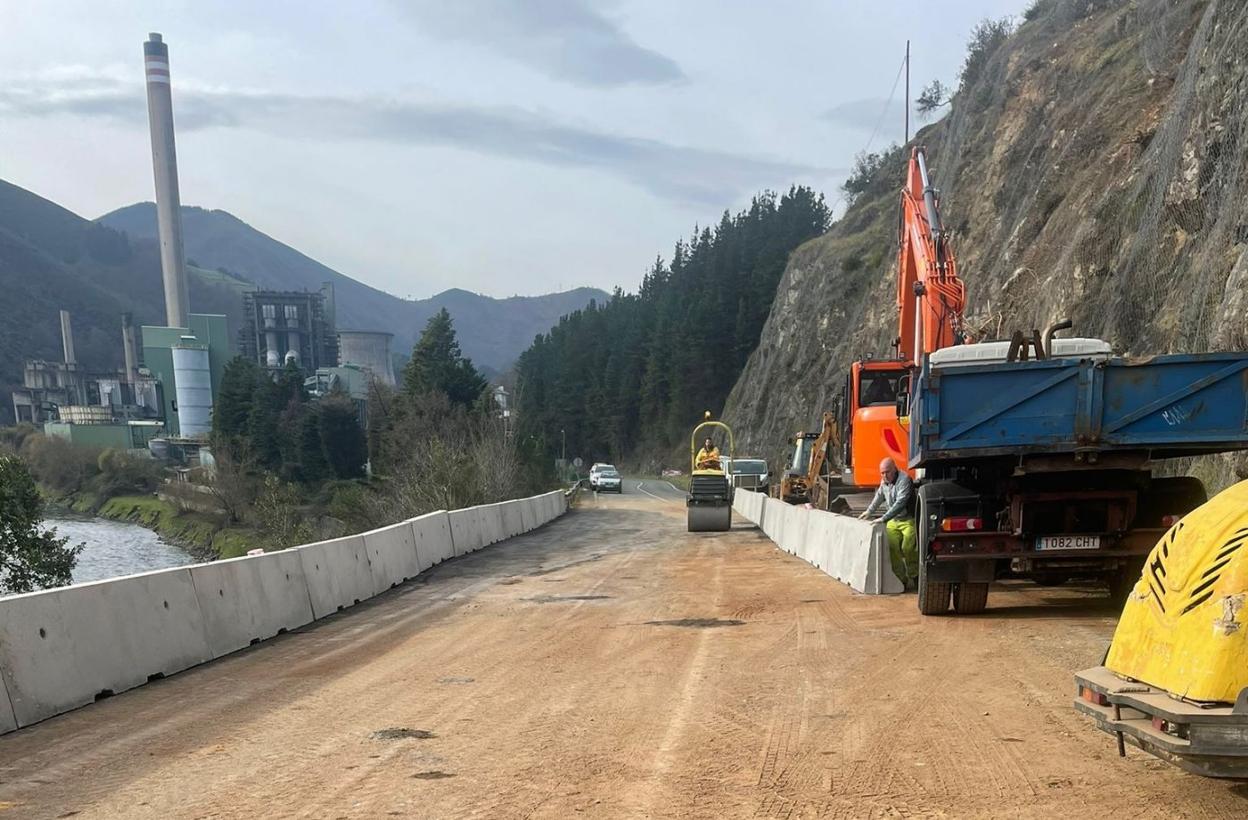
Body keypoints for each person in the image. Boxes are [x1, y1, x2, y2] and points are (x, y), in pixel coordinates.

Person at [859, 457, 917, 587]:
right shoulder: (884, 482)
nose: (885, 475)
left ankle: (915, 575)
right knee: (892, 548)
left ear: (894, 469)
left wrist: (884, 518)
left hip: (908, 519)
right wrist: (869, 511)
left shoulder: (904, 480)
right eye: (882, 473)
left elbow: (900, 503)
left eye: (887, 472)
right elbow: (879, 497)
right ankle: (901, 579)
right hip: (893, 520)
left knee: (907, 548)